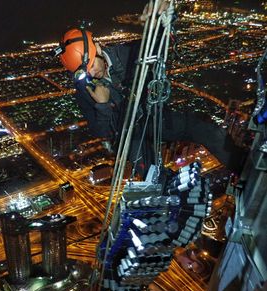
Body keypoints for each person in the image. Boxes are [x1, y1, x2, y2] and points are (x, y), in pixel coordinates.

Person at [55, 1, 247, 173]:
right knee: (153, 177)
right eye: (85, 73)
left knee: (207, 131)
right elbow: (101, 132)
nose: (91, 75)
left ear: (97, 47)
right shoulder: (85, 90)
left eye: (91, 67)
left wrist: (164, 17)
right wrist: (103, 105)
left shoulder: (126, 54)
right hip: (129, 135)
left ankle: (245, 168)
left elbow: (157, 43)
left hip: (155, 116)